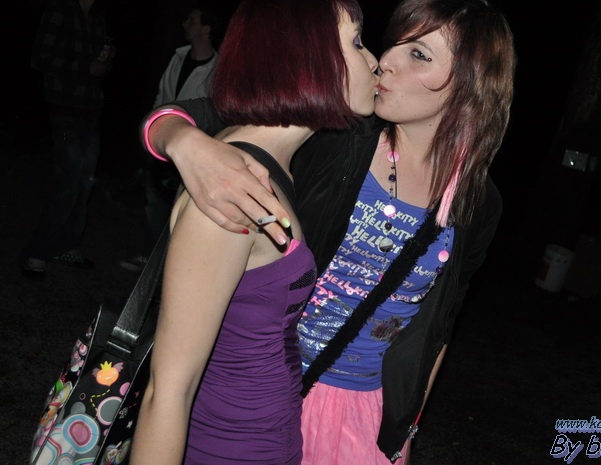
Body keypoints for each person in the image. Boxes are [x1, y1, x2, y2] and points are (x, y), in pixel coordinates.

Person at [141, 0, 515, 463]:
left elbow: (438, 326)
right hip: (272, 390)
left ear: (471, 84)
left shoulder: (479, 202)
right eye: (394, 44)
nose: (386, 61)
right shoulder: (338, 134)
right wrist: (182, 141)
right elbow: (191, 112)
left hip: (366, 413)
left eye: (419, 54)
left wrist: (405, 429)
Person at [130, 0, 378, 464]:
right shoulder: (231, 189)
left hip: (264, 438)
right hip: (226, 446)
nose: (374, 60)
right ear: (305, 55)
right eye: (357, 42)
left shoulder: (275, 163)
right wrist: (175, 136)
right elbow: (168, 393)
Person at [119, 2, 224, 272]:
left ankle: (176, 267)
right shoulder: (178, 57)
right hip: (162, 146)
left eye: (193, 20)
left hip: (194, 155)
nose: (185, 24)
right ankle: (150, 260)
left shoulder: (219, 70)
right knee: (154, 202)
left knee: (184, 209)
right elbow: (162, 97)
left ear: (207, 29)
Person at [20, 0, 116, 280]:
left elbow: (99, 69)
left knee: (85, 184)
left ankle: (67, 245)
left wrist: (106, 62)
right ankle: (36, 252)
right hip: (65, 108)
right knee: (69, 184)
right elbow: (40, 58)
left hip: (91, 109)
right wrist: (86, 66)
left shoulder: (97, 19)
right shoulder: (60, 10)